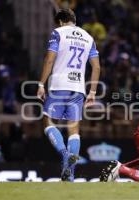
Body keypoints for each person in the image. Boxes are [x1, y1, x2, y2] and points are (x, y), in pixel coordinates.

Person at [37, 9, 100, 181]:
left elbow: (49, 59)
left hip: (59, 85)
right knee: (74, 130)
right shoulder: (88, 37)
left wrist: (41, 83)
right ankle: (70, 174)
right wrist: (93, 92)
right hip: (78, 88)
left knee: (47, 121)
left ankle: (65, 154)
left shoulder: (58, 33)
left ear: (61, 21)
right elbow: (96, 67)